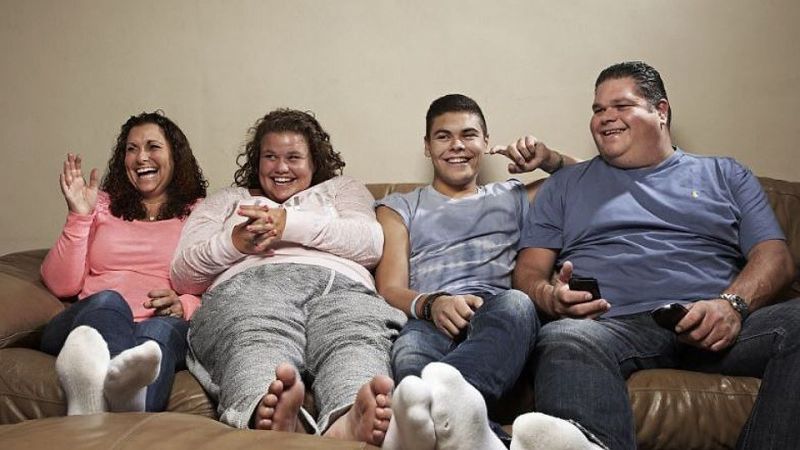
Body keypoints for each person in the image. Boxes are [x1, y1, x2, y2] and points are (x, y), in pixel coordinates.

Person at [513, 61, 800, 449]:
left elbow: (776, 257)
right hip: (612, 324)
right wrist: (550, 297)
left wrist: (732, 305)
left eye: (621, 106)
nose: (605, 118)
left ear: (660, 111)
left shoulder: (725, 174)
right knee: (563, 337)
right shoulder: (564, 185)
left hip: (714, 319)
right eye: (598, 110)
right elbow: (529, 269)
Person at [170, 108, 406, 446]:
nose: (281, 168)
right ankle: (270, 416)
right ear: (257, 161)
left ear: (314, 163)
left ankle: (348, 417)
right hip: (250, 290)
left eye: (293, 157)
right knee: (253, 337)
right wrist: (234, 243)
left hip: (340, 288)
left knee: (352, 336)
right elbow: (182, 273)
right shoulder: (227, 200)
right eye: (270, 157)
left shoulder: (341, 190)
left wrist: (287, 223)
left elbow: (369, 243)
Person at [376, 94, 578, 449]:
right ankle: (485, 435)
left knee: (518, 303)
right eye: (443, 136)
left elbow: (588, 179)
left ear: (485, 143)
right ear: (427, 147)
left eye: (469, 135)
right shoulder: (400, 207)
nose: (457, 145)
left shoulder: (513, 195)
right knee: (408, 359)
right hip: (429, 316)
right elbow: (390, 287)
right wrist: (433, 304)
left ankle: (438, 415)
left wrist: (548, 158)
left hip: (498, 312)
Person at [40, 111, 208, 415]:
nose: (141, 157)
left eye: (153, 147)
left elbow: (218, 282)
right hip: (93, 319)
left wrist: (185, 305)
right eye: (131, 149)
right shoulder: (101, 205)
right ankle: (122, 390)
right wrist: (79, 215)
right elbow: (60, 283)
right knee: (107, 301)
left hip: (159, 325)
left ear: (175, 156)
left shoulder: (198, 214)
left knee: (154, 340)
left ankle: (95, 394)